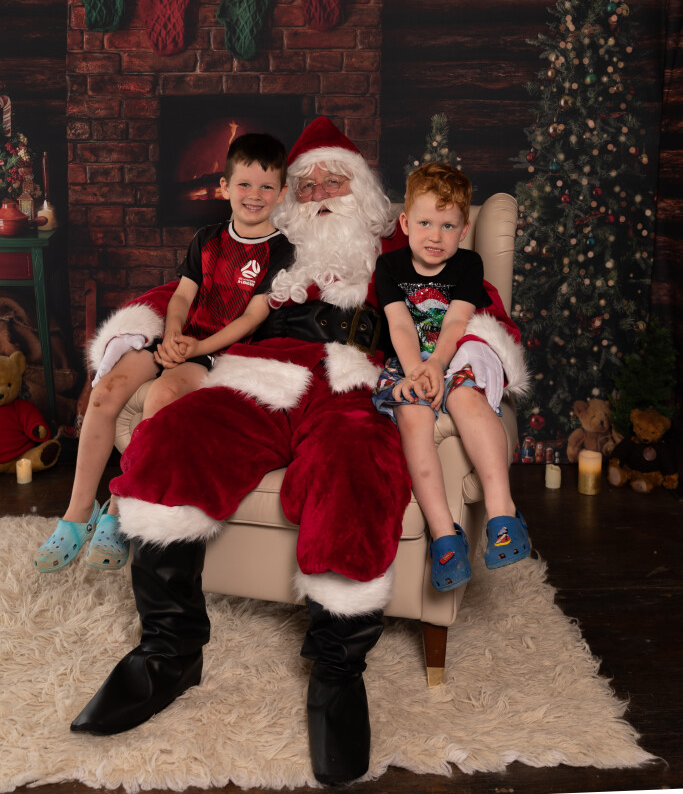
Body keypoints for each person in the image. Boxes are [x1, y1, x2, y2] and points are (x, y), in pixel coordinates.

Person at [69, 117, 528, 787]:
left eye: (332, 181)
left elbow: (477, 304)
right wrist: (143, 330)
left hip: (354, 378)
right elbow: (191, 288)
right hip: (263, 368)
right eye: (306, 184)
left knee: (355, 469)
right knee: (170, 440)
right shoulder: (268, 245)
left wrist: (469, 358)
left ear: (363, 192)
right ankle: (168, 651)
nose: (318, 194)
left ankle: (337, 673)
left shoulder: (397, 245)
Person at [34, 132, 293, 574]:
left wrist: (197, 347)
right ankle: (77, 512)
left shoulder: (281, 249)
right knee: (107, 387)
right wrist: (172, 333)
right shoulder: (207, 238)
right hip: (180, 337)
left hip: (218, 352)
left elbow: (252, 318)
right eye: (245, 184)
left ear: (282, 193)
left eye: (267, 186)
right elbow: (182, 295)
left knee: (161, 396)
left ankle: (119, 506)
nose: (255, 195)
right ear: (225, 187)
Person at [372, 162, 531, 594]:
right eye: (425, 223)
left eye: (447, 226)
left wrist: (439, 366)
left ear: (464, 230)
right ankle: (444, 535)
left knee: (465, 399)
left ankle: (502, 511)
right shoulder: (389, 267)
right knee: (412, 415)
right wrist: (416, 372)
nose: (435, 236)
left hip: (455, 354)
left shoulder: (468, 265)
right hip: (407, 361)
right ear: (405, 223)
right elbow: (399, 324)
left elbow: (457, 322)